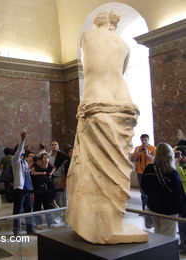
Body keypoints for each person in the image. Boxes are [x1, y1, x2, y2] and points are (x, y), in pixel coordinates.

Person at [65, 12, 147, 244]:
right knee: (115, 170)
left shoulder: (87, 38)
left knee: (92, 170)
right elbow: (119, 72)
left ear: (97, 23)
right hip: (124, 106)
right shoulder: (123, 44)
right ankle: (110, 223)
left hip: (96, 103)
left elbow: (88, 66)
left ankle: (99, 226)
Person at [141, 143, 186, 237]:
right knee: (168, 236)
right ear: (170, 154)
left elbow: (144, 187)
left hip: (154, 206)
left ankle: (159, 250)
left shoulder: (149, 168)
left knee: (158, 234)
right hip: (169, 210)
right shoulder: (171, 172)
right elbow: (178, 194)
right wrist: (183, 211)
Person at [11, 129, 35, 236]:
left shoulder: (24, 162)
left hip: (28, 188)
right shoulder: (15, 160)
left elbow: (28, 175)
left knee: (29, 210)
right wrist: (23, 139)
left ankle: (30, 229)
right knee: (17, 210)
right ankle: (16, 230)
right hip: (19, 189)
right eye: (22, 151)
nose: (23, 152)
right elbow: (19, 151)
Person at [131, 134, 156, 211]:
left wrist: (148, 154)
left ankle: (151, 208)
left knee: (151, 190)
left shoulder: (153, 148)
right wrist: (138, 152)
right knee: (142, 192)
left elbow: (155, 160)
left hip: (150, 172)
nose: (144, 141)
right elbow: (133, 159)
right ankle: (144, 209)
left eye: (145, 140)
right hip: (140, 172)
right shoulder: (138, 148)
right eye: (142, 140)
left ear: (148, 140)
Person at [174, 146, 186, 251]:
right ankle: (183, 243)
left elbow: (183, 177)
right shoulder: (176, 165)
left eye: (180, 155)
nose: (178, 157)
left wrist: (176, 165)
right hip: (180, 198)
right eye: (176, 155)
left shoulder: (179, 166)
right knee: (181, 223)